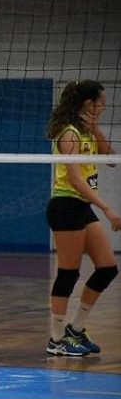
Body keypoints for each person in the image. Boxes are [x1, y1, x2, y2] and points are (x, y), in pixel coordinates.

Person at [44, 79, 119, 356]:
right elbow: (75, 180)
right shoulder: (69, 133)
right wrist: (107, 208)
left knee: (107, 268)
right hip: (65, 206)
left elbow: (111, 159)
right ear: (89, 103)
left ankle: (75, 329)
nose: (104, 108)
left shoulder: (87, 133)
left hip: (82, 207)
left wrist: (96, 129)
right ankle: (56, 340)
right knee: (68, 272)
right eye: (101, 104)